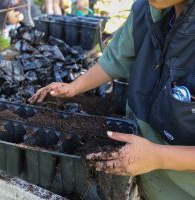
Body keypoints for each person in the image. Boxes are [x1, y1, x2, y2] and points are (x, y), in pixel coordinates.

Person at [29, 0, 195, 199]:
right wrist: (75, 87)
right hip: (142, 171)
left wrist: (159, 157)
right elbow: (116, 59)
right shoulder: (146, 11)